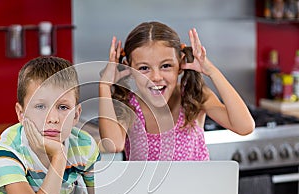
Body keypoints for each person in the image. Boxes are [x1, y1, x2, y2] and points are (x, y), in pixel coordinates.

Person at [99, 21, 255, 160]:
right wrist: (104, 85)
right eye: (144, 68)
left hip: (196, 192)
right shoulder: (128, 105)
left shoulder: (194, 96)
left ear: (180, 64)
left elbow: (245, 126)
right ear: (129, 68)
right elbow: (113, 145)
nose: (156, 77)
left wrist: (212, 71)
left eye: (166, 66)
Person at [0, 56, 100, 194]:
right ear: (21, 113)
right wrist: (58, 157)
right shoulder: (8, 152)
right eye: (41, 106)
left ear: (76, 114)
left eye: (63, 107)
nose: (53, 118)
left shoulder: (84, 145)